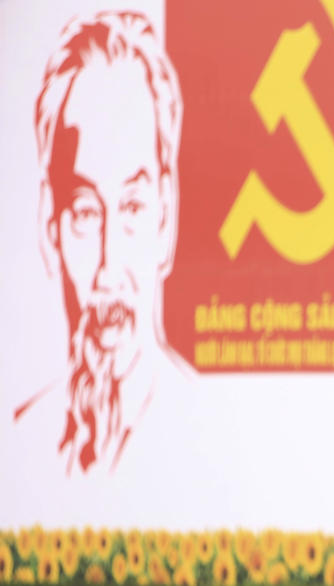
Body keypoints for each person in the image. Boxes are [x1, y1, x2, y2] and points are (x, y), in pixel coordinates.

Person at [14, 10, 191, 475]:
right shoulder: (16, 446)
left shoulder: (207, 433)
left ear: (165, 221)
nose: (109, 269)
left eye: (132, 208)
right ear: (49, 228)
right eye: (87, 213)